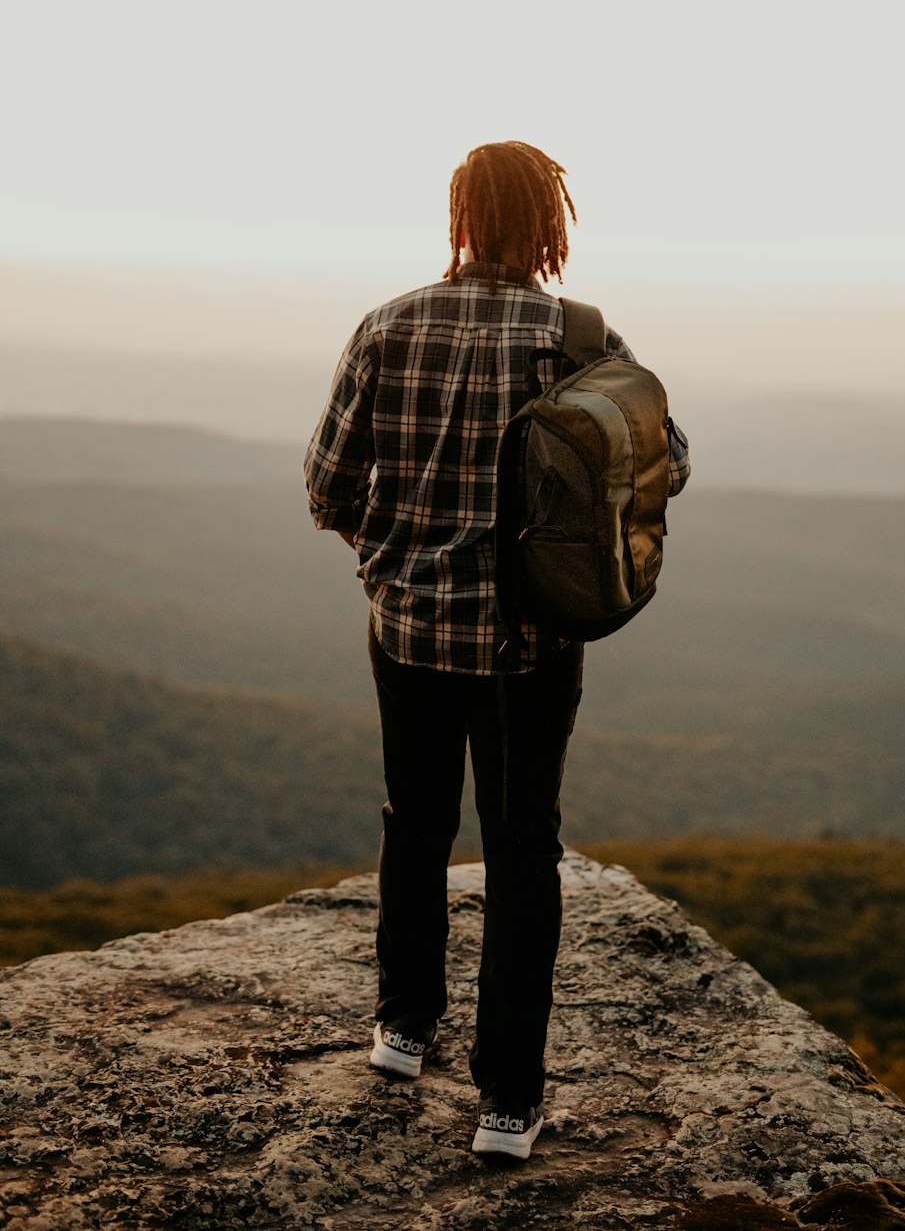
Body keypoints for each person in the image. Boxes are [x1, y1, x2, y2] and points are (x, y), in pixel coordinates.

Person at [304, 140, 686, 1160]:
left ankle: (401, 1027)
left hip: (408, 628)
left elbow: (327, 488)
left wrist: (394, 557)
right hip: (532, 643)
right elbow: (665, 462)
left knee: (416, 821)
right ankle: (508, 1105)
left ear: (459, 216)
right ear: (547, 225)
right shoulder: (582, 336)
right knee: (522, 852)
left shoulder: (388, 325)